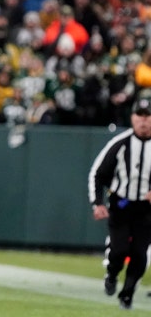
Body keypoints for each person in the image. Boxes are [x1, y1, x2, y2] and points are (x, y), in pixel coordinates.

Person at [88, 88, 151, 310]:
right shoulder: (121, 143)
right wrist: (97, 203)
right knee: (119, 250)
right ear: (133, 117)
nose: (143, 121)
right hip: (122, 205)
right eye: (140, 116)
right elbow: (98, 173)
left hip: (146, 209)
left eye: (148, 116)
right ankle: (112, 274)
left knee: (140, 255)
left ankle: (127, 294)